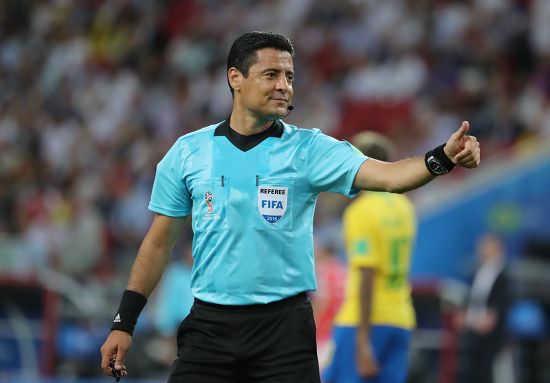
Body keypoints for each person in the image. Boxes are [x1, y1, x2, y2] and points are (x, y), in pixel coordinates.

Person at [100, 31, 480, 383]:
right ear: (236, 78)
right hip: (209, 327)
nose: (284, 85)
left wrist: (442, 158)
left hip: (283, 330)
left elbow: (390, 177)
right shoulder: (187, 152)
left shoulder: (309, 150)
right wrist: (124, 321)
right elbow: (158, 243)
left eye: (289, 76)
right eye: (271, 74)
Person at [322, 132, 417, 383]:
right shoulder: (404, 207)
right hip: (401, 317)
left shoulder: (362, 211)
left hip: (365, 321)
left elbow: (367, 271)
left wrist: (362, 339)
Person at [456, 233, 509, 383]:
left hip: (491, 331)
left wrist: (492, 317)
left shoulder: (503, 274)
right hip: (474, 326)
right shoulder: (478, 271)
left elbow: (503, 301)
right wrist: (465, 314)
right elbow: (472, 297)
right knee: (470, 368)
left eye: (485, 246)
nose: (481, 250)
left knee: (485, 369)